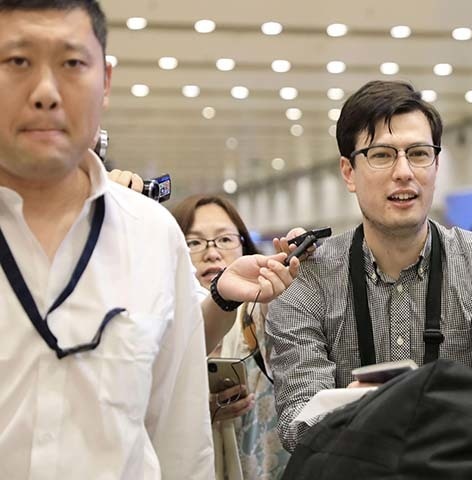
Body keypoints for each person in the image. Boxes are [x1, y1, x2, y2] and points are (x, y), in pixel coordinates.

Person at [0, 1, 297, 478]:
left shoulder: (151, 236)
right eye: (17, 61)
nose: (46, 92)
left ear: (106, 81)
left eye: (72, 63)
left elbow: (181, 438)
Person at [268, 80, 472, 451]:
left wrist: (360, 412)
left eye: (418, 153)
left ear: (436, 164)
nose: (404, 172)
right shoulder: (307, 277)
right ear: (348, 172)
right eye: (381, 154)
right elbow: (298, 421)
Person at [172, 194, 290, 479]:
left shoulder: (263, 313)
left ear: (244, 247)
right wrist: (201, 411)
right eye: (194, 242)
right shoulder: (162, 324)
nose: (212, 253)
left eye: (225, 240)